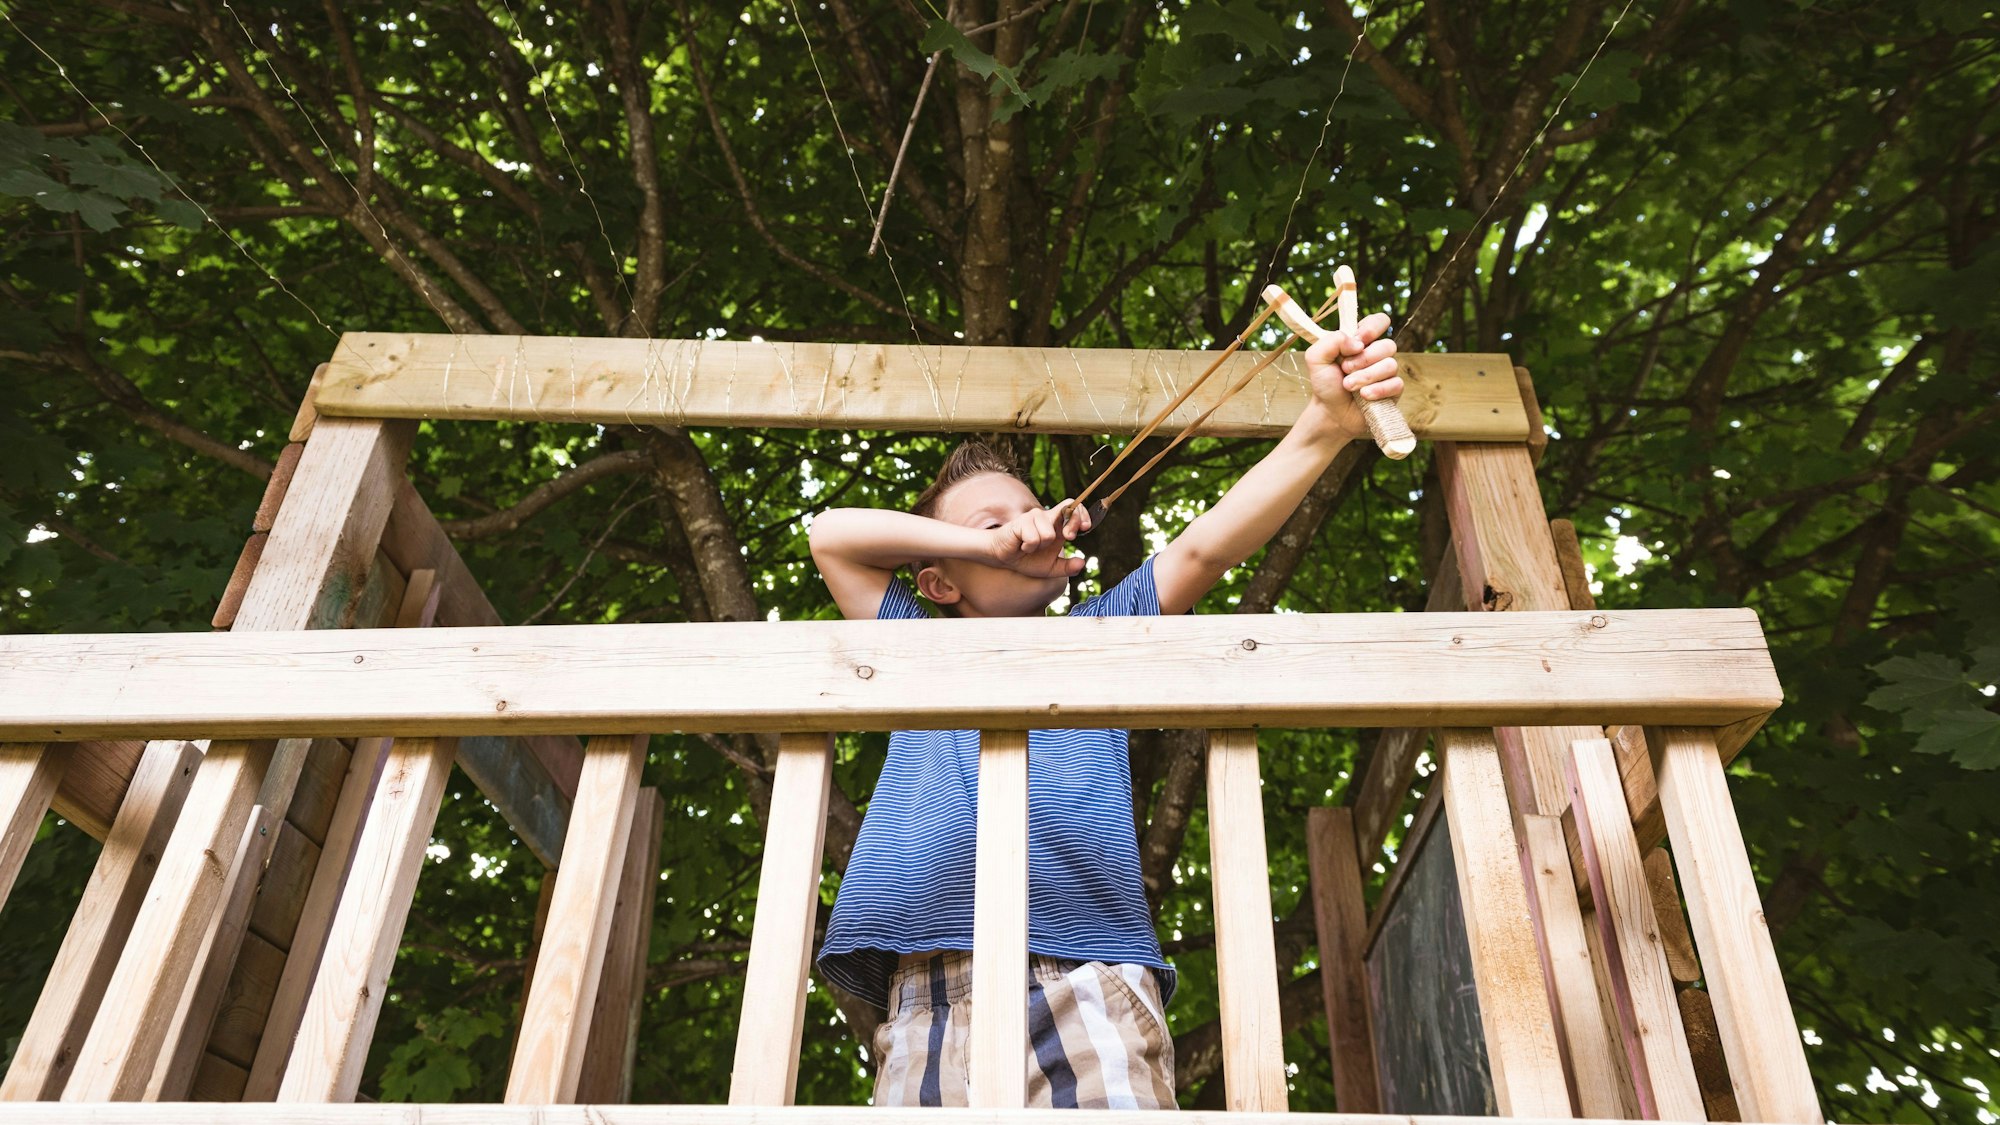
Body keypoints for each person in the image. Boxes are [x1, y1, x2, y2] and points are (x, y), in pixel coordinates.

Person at [807, 311, 1401, 1109]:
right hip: (933, 980)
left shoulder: (1100, 632)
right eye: (994, 523)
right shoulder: (914, 639)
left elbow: (1204, 548)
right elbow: (831, 536)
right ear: (939, 583)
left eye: (1032, 509)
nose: (1028, 527)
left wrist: (1325, 423)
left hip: (1090, 972)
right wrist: (989, 546)